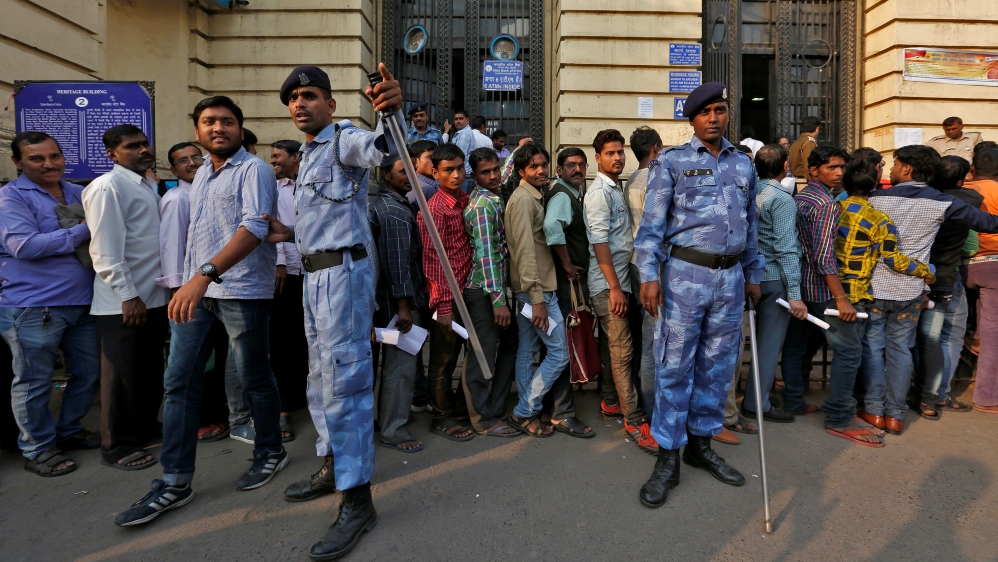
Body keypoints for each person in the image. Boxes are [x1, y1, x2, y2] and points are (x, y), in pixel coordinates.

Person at [113, 96, 285, 527]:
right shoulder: (203, 172)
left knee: (254, 377)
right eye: (209, 121)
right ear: (198, 130)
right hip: (198, 293)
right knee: (178, 382)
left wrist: (203, 275)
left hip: (241, 291)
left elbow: (254, 227)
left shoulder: (255, 170)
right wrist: (191, 281)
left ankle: (270, 450)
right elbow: (197, 234)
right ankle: (174, 481)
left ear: (240, 128)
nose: (218, 128)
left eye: (227, 121)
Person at [261, 64, 403, 559]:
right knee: (320, 378)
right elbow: (325, 215)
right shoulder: (306, 155)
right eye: (293, 98)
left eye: (310, 95)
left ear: (331, 104)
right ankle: (332, 465)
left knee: (346, 382)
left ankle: (358, 500)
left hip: (343, 277)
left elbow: (382, 150)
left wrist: (391, 112)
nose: (300, 104)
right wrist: (289, 234)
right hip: (314, 276)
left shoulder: (344, 139)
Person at [634, 82, 763, 508]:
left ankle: (700, 445)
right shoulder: (671, 162)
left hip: (730, 279)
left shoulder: (743, 164)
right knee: (674, 366)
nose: (713, 118)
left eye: (720, 110)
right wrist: (648, 275)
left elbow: (751, 226)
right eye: (705, 112)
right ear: (692, 119)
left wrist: (753, 273)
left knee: (717, 366)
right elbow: (651, 228)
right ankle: (667, 457)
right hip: (684, 277)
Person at [864, 145, 998, 435]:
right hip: (912, 290)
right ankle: (895, 415)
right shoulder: (944, 202)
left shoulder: (875, 198)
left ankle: (874, 410)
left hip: (875, 287)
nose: (891, 170)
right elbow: (988, 223)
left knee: (874, 347)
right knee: (901, 349)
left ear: (907, 168)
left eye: (895, 164)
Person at [0, 132, 100, 477]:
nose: (48, 164)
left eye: (54, 156)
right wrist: (85, 229)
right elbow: (25, 246)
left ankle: (69, 431)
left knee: (88, 373)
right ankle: (37, 448)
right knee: (34, 382)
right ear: (17, 162)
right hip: (33, 305)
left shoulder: (76, 192)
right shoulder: (11, 197)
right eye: (36, 158)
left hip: (84, 302)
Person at [780, 145, 882, 448]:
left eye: (842, 167)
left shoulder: (801, 198)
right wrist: (840, 298)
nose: (839, 173)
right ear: (814, 171)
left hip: (800, 286)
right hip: (822, 289)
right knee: (848, 351)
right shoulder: (826, 204)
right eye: (832, 167)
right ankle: (839, 417)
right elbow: (824, 256)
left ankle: (794, 400)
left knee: (799, 344)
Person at [83, 125, 170, 472]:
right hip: (123, 302)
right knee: (121, 377)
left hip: (153, 296)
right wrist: (128, 295)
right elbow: (105, 249)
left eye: (145, 144)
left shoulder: (146, 184)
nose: (143, 150)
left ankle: (143, 428)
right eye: (132, 146)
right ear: (112, 154)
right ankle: (117, 445)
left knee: (147, 371)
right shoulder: (107, 187)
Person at [160, 142, 248, 444]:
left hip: (217, 289)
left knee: (217, 357)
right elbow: (173, 247)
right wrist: (178, 290)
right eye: (182, 160)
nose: (192, 163)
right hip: (191, 294)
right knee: (193, 363)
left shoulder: (208, 189)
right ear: (173, 170)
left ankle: (215, 414)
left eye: (195, 157)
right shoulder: (177, 198)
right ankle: (195, 423)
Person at [585, 129, 652, 451]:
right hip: (608, 284)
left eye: (620, 152)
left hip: (619, 280)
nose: (617, 158)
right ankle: (635, 421)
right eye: (610, 153)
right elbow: (599, 242)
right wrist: (614, 288)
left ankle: (611, 402)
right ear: (598, 158)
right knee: (623, 352)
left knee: (614, 346)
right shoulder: (599, 192)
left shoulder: (615, 187)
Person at [506, 143, 569, 437]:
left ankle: (525, 411)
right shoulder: (523, 201)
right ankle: (524, 410)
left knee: (528, 349)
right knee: (559, 353)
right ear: (521, 171)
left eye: (544, 164)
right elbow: (525, 252)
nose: (541, 170)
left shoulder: (533, 196)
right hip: (536, 292)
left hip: (533, 291)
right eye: (534, 166)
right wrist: (537, 300)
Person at [741, 144, 805, 423]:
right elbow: (787, 248)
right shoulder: (782, 199)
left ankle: (754, 397)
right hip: (773, 279)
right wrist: (795, 294)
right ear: (785, 166)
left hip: (751, 276)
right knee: (768, 346)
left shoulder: (752, 193)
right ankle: (757, 404)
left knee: (750, 344)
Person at [417, 143, 476, 443]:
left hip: (467, 293)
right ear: (435, 173)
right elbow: (433, 261)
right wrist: (443, 307)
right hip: (448, 299)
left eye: (460, 168)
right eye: (448, 170)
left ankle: (456, 406)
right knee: (443, 360)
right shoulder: (434, 210)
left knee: (464, 354)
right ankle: (441, 416)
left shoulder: (464, 199)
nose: (456, 175)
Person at [369, 155, 428, 451]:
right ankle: (393, 429)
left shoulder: (395, 203)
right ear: (386, 175)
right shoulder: (393, 211)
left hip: (388, 299)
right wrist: (404, 307)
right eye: (402, 171)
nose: (410, 176)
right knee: (399, 367)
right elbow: (398, 265)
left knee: (396, 365)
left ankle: (390, 417)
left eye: (412, 171)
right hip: (397, 303)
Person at [915, 156, 981, 419]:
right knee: (948, 337)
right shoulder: (968, 202)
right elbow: (971, 247)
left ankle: (920, 393)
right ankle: (936, 395)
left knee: (919, 339)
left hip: (916, 277)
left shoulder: (919, 200)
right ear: (961, 180)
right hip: (945, 280)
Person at [461, 147, 519, 437]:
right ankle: (482, 418)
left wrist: (517, 152)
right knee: (482, 354)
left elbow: (505, 174)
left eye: (496, 169)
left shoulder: (492, 192)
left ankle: (494, 407)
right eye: (486, 172)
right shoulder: (483, 206)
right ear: (474, 176)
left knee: (510, 343)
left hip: (493, 288)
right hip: (484, 290)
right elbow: (487, 257)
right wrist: (498, 302)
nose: (494, 176)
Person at [542, 147, 595, 438]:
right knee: (565, 343)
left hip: (568, 281)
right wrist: (568, 266)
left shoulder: (571, 194)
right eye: (571, 165)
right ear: (559, 170)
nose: (577, 169)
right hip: (567, 283)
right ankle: (561, 413)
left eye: (581, 165)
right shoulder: (562, 196)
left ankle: (552, 406)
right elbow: (552, 227)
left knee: (563, 341)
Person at [270, 139, 308, 441]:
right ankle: (282, 409)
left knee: (307, 339)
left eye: (278, 156)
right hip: (287, 274)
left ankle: (302, 397)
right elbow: (272, 226)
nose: (273, 161)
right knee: (283, 341)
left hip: (314, 271)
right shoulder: (273, 188)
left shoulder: (311, 183)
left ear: (295, 157)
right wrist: (280, 262)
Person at [626, 126, 663, 418]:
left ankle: (647, 400)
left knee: (646, 335)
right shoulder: (655, 179)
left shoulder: (631, 179)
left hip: (637, 262)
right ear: (656, 149)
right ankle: (652, 409)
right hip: (653, 266)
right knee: (653, 339)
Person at [960, 148, 998, 414]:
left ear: (973, 168)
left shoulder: (961, 189)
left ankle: (976, 339)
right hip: (992, 266)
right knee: (995, 333)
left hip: (960, 266)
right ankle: (986, 397)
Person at [789, 116, 821, 191]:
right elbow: (809, 164)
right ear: (817, 129)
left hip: (798, 181)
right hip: (806, 182)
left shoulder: (797, 142)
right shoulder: (809, 142)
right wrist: (813, 182)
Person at [407, 140, 438, 205]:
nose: (436, 161)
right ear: (415, 162)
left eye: (437, 158)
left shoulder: (409, 183)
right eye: (429, 157)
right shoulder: (427, 189)